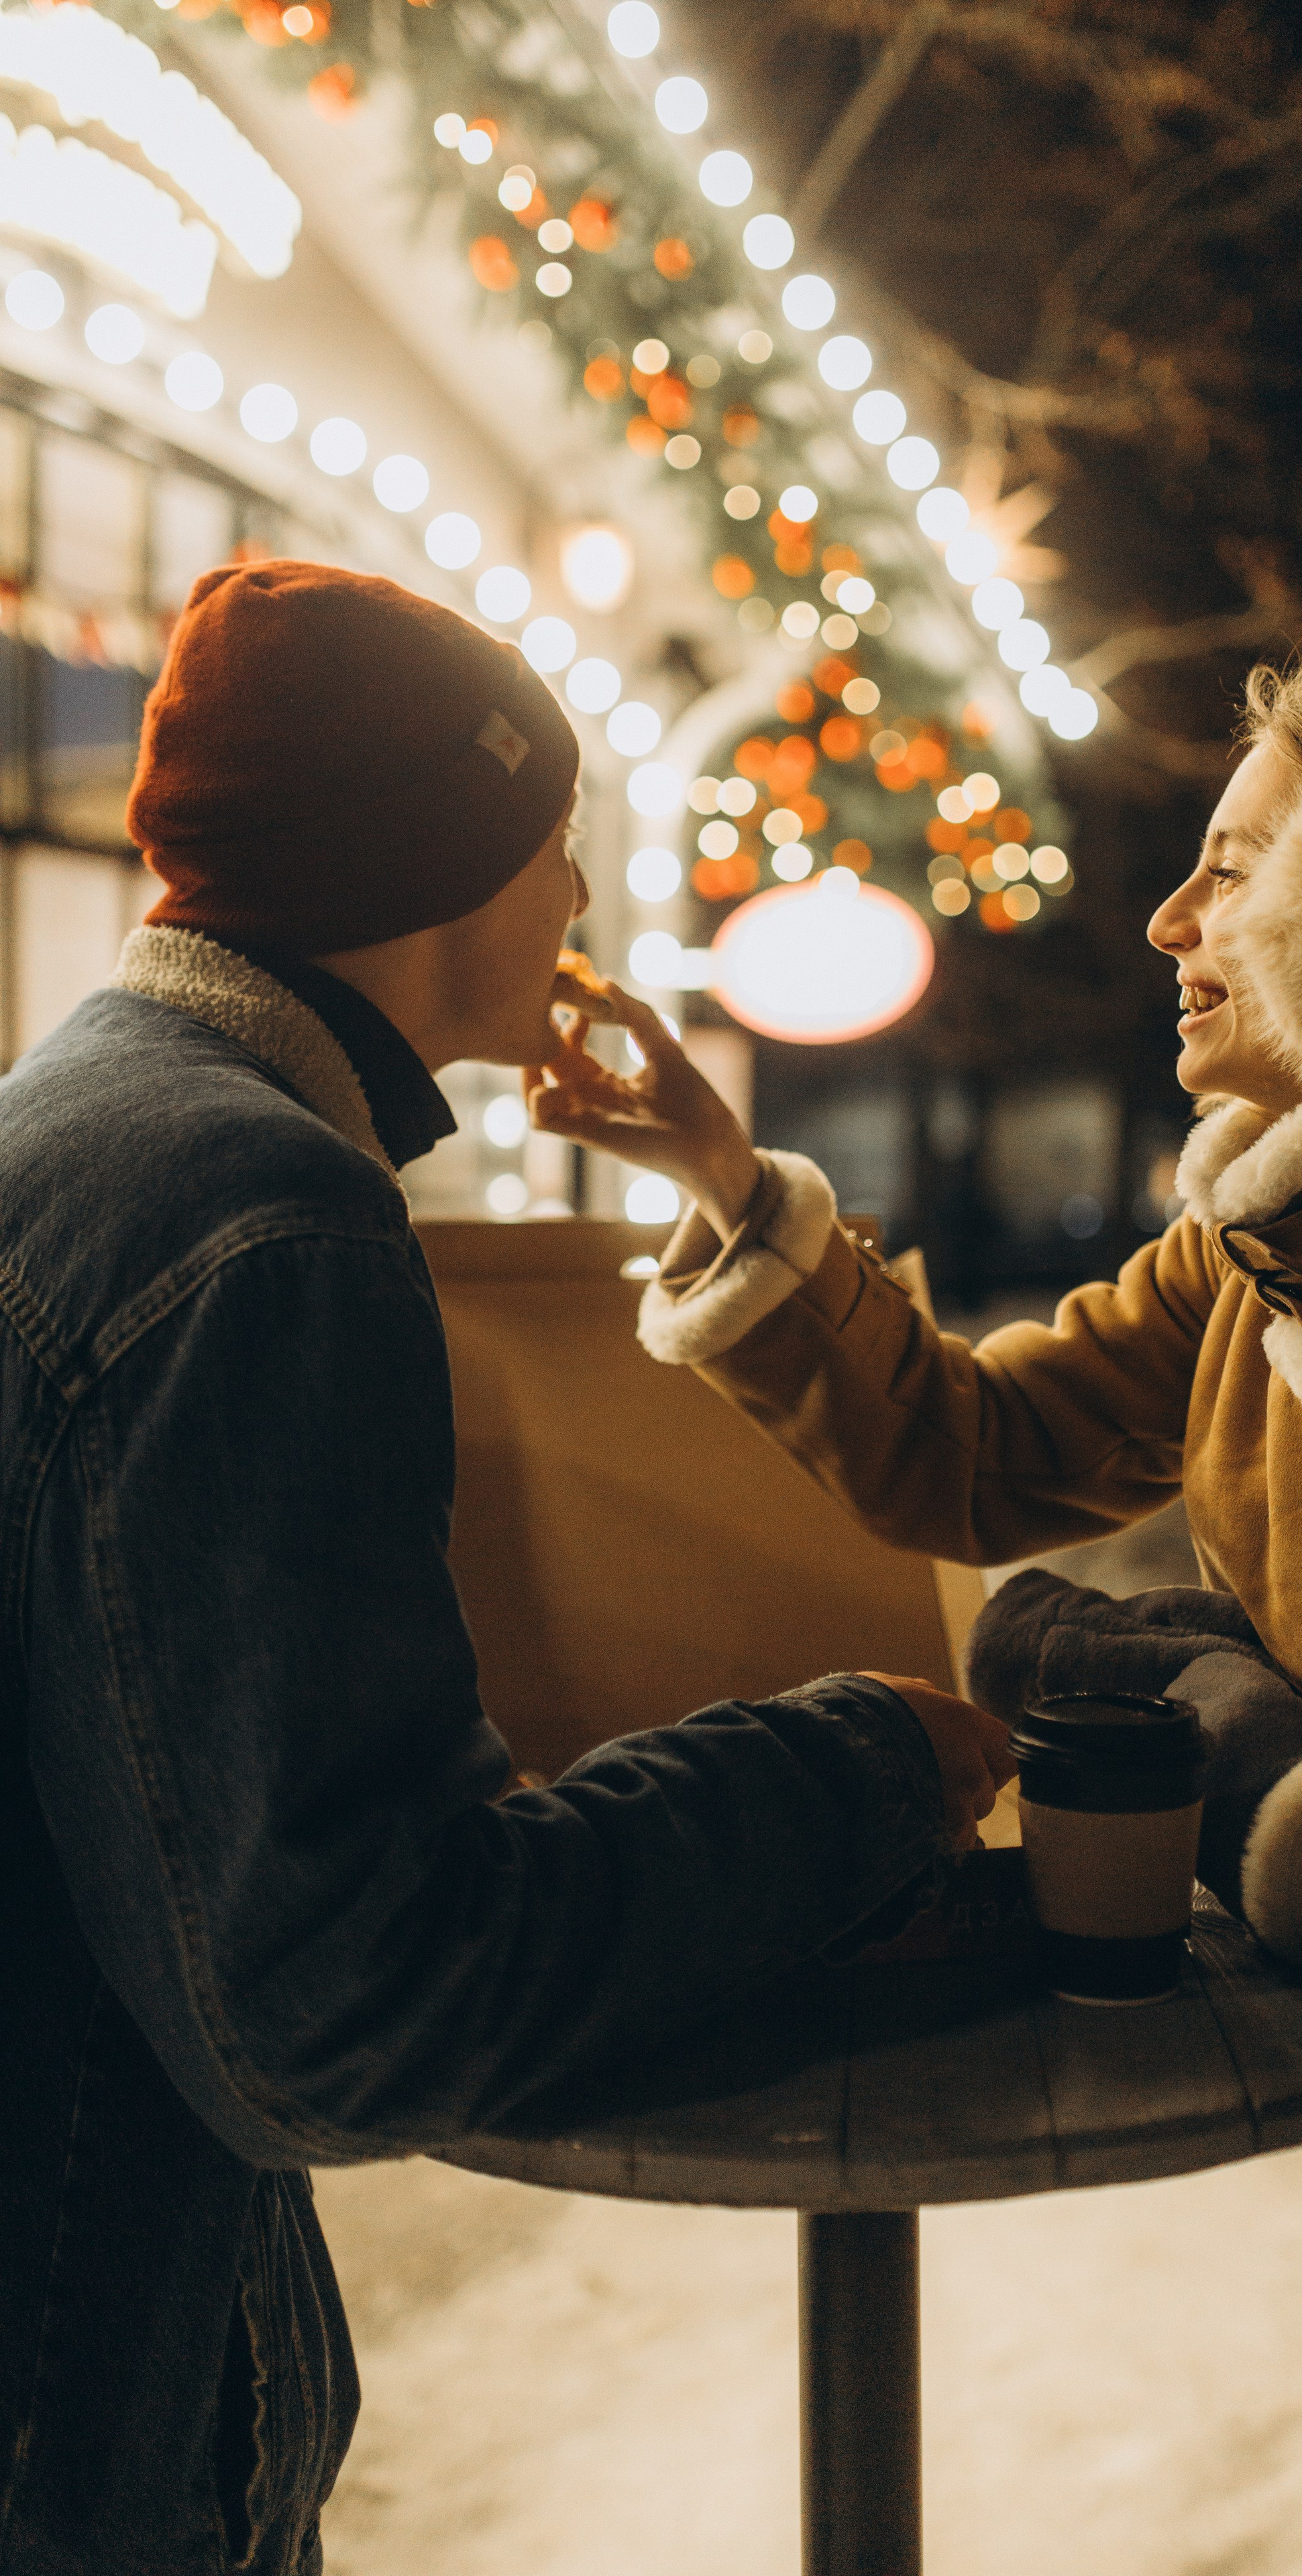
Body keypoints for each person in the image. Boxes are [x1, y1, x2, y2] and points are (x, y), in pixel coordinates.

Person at [535, 639, 1302, 2576]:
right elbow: (974, 1463)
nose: (1170, 917)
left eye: (1236, 869)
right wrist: (723, 1176)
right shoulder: (1257, 1258)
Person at [0, 559, 1014, 2576]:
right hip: (86, 2419)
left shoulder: (78, 1118)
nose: (571, 905)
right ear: (441, 868)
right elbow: (348, 2000)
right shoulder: (266, 1216)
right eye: (551, 848)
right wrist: (858, 1766)